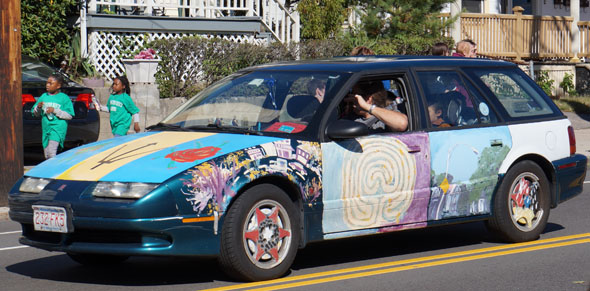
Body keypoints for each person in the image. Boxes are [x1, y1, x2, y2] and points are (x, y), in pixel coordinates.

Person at [32, 73, 75, 159]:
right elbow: (35, 113)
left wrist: (55, 111)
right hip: (46, 128)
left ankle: (53, 171)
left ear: (58, 86)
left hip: (57, 129)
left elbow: (69, 115)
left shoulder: (64, 98)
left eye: (51, 83)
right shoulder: (44, 96)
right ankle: (50, 170)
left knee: (51, 153)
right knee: (47, 154)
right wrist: (38, 108)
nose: (47, 85)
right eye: (47, 83)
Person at [342, 81, 408, 132]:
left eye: (354, 95)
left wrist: (367, 106)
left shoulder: (388, 113)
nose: (351, 98)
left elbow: (402, 124)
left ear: (368, 99)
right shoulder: (351, 117)